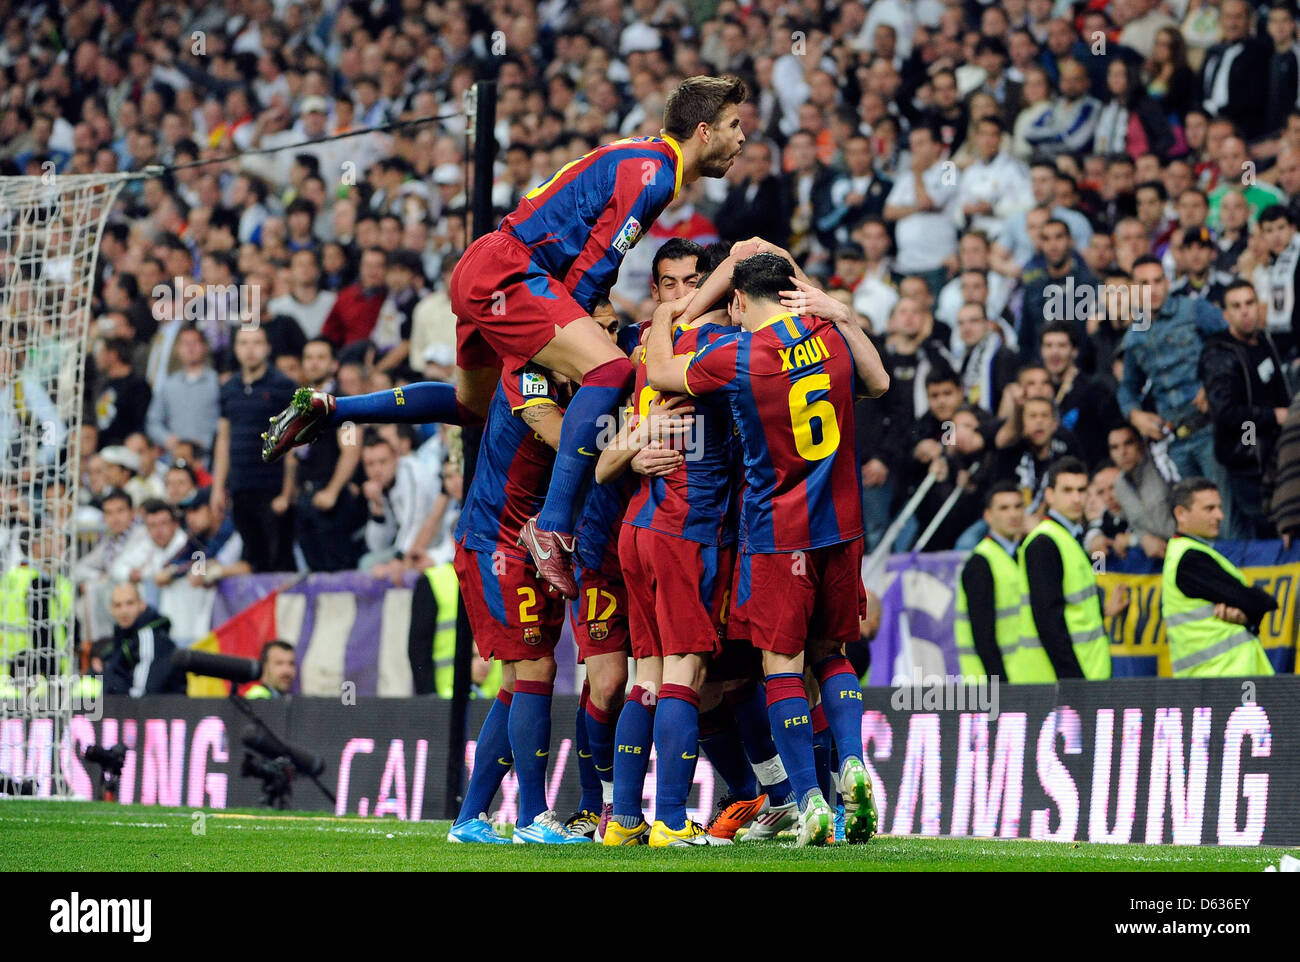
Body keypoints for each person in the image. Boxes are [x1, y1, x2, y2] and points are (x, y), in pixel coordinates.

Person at [263, 76, 749, 601]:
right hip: (513, 274)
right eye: (734, 125)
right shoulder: (654, 176)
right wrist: (576, 343)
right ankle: (553, 525)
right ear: (704, 131)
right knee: (610, 370)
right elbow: (592, 268)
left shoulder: (642, 158)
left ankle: (332, 408)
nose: (742, 138)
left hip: (486, 266)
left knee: (470, 405)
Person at [646, 251, 890, 847]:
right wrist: (838, 310)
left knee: (778, 666)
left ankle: (808, 799)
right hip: (845, 526)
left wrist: (662, 315)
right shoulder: (830, 332)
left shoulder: (736, 354)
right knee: (829, 652)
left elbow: (658, 372)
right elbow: (880, 383)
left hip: (780, 534)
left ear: (736, 301)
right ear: (795, 293)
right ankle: (853, 761)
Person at [1119, 255, 1229, 493]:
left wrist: (1214, 381)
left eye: (1158, 281)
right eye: (1144, 284)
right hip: (1174, 439)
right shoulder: (1134, 335)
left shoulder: (1193, 309)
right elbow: (1127, 386)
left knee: (1224, 516)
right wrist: (1135, 415)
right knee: (1193, 520)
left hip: (1211, 428)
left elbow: (1232, 344)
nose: (1153, 289)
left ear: (1168, 283)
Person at [1017, 458, 1128, 681]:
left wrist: (1101, 611)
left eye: (1081, 490)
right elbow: (1049, 620)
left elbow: (1071, 605)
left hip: (1085, 673)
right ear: (1049, 496)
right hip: (1061, 682)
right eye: (1067, 490)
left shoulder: (1068, 537)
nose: (1076, 498)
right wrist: (1073, 681)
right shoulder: (1044, 542)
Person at [1199, 279, 1294, 539]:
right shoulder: (1220, 354)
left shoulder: (1264, 341)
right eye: (1236, 306)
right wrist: (1272, 416)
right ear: (1225, 314)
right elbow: (1227, 413)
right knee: (1268, 530)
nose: (1245, 311)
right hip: (1248, 457)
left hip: (1278, 452)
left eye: (1250, 303)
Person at [1161, 478, 1277, 677]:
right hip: (1221, 681)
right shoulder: (1190, 559)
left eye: (1220, 508)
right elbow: (1258, 602)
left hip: (1218, 680)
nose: (1220, 515)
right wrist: (1251, 608)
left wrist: (1246, 617)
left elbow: (1248, 604)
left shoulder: (1185, 552)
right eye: (1209, 509)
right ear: (1181, 514)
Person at [212, 326, 298, 573]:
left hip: (272, 485)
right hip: (240, 486)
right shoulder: (228, 390)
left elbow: (294, 438)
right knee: (253, 557)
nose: (250, 350)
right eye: (243, 343)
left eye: (257, 342)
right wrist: (219, 487)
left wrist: (287, 491)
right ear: (235, 348)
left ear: (268, 348)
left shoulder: (284, 386)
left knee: (279, 558)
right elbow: (224, 438)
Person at [955, 482, 1027, 682]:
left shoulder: (1023, 554)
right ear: (988, 515)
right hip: (990, 684)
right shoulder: (980, 563)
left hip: (1022, 678)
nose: (1013, 514)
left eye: (1018, 506)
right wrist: (1001, 686)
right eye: (1004, 508)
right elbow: (983, 636)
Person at [101, 581, 186, 696]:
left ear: (142, 605)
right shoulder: (120, 636)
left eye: (130, 603)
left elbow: (143, 692)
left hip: (162, 710)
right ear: (111, 609)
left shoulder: (150, 636)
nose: (124, 611)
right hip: (131, 708)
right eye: (118, 605)